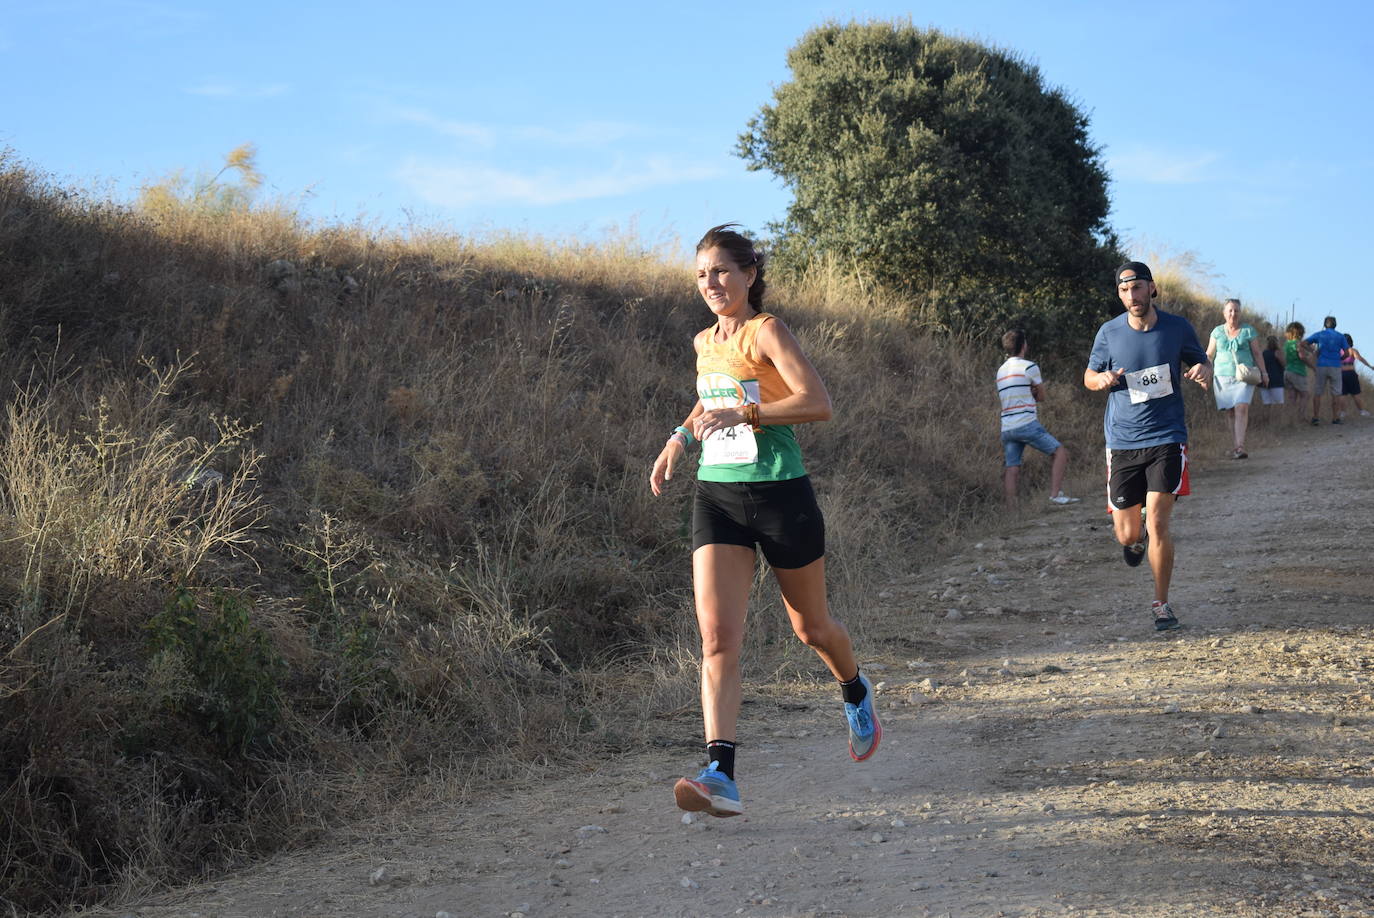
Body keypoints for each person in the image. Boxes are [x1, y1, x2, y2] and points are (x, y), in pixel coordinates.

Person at [649, 224, 879, 818]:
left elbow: (816, 402)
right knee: (718, 637)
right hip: (717, 498)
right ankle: (720, 773)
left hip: (781, 496)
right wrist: (678, 437)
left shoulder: (767, 330)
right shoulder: (704, 341)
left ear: (749, 274)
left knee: (812, 629)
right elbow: (709, 398)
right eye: (701, 274)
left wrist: (746, 414)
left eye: (722, 271)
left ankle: (854, 689)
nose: (711, 283)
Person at [1084, 261, 1212, 632]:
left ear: (1152, 288)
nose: (1132, 296)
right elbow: (1088, 376)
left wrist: (1203, 369)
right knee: (1127, 534)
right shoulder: (1109, 333)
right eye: (1124, 290)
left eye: (1138, 288)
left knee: (1159, 522)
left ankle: (1162, 604)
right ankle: (1134, 537)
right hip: (1123, 441)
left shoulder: (1176, 327)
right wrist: (1101, 379)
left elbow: (1200, 360)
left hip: (1167, 437)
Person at [996, 329, 1079, 506]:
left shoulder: (1000, 371)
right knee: (1060, 452)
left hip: (1007, 426)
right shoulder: (1029, 367)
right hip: (1026, 423)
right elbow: (1041, 397)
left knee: (1012, 467)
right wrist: (1033, 391)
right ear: (1023, 345)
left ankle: (1012, 508)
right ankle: (1055, 494)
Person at [1204, 298, 1266, 458]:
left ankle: (1240, 446)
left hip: (1244, 376)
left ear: (1240, 313)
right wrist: (1205, 372)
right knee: (1230, 412)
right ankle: (1235, 445)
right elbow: (1209, 354)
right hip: (1222, 376)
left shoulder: (1248, 331)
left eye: (1236, 310)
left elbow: (1257, 353)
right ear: (1224, 313)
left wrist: (1264, 372)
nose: (1233, 313)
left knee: (1241, 407)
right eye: (1230, 310)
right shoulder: (1217, 332)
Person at [1305, 316, 1347, 424]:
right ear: (1335, 325)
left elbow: (1303, 343)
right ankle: (1335, 418)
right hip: (1335, 366)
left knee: (1318, 392)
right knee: (1336, 393)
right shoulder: (1341, 336)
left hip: (1321, 365)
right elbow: (1347, 353)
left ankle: (1315, 417)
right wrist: (1340, 358)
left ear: (1324, 324)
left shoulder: (1320, 334)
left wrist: (1312, 350)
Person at [1283, 322, 1314, 420]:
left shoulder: (1287, 344)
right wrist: (1313, 367)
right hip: (1298, 371)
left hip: (1287, 371)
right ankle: (1301, 417)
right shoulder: (1297, 343)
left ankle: (1290, 417)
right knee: (1305, 395)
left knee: (1292, 397)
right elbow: (1302, 357)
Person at [1339, 334, 1373, 418]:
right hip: (1350, 373)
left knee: (1343, 394)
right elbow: (1360, 359)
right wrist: (1370, 366)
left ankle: (1343, 412)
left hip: (1341, 374)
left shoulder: (1338, 351)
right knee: (1356, 393)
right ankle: (1362, 411)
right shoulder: (1352, 350)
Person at [1259, 335, 1285, 408]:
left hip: (1264, 381)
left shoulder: (1263, 353)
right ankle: (1276, 419)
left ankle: (1266, 419)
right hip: (1276, 381)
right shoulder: (1278, 352)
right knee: (1278, 404)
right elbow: (1284, 364)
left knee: (1266, 404)